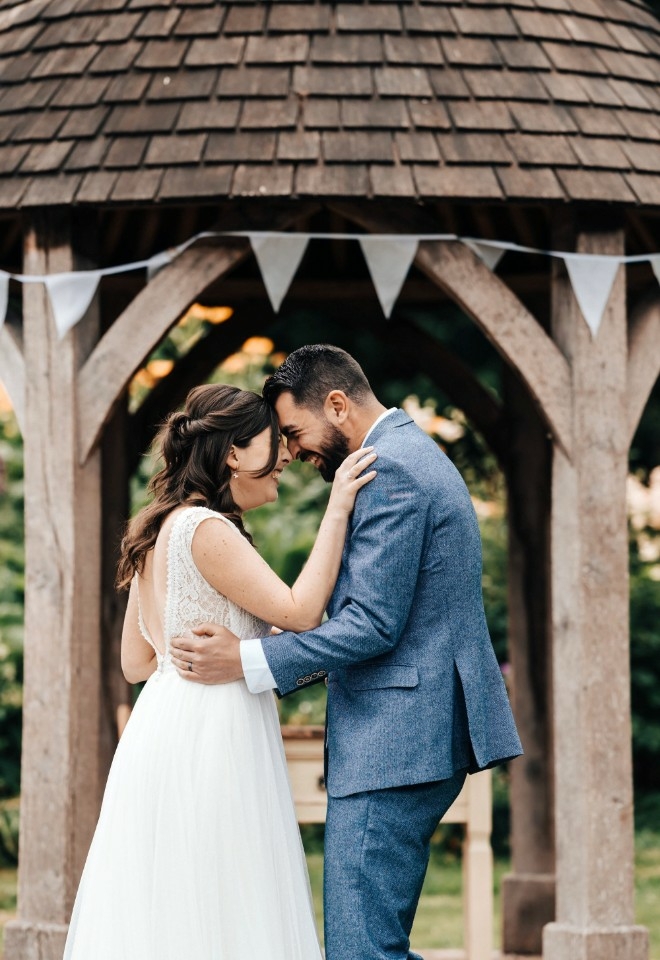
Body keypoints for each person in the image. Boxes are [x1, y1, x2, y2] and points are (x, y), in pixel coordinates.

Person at [171, 344, 523, 960]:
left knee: (362, 951)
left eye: (294, 433)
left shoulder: (392, 470)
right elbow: (382, 614)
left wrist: (248, 662)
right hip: (407, 732)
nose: (291, 452)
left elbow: (372, 625)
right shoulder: (400, 457)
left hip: (397, 739)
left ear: (336, 405)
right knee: (371, 948)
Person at [62, 382, 376, 960]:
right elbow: (303, 610)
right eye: (274, 443)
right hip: (213, 728)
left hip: (161, 723)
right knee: (226, 893)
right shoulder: (207, 529)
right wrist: (337, 511)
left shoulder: (158, 529)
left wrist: (244, 640)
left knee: (174, 900)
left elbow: (136, 664)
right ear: (234, 453)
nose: (285, 456)